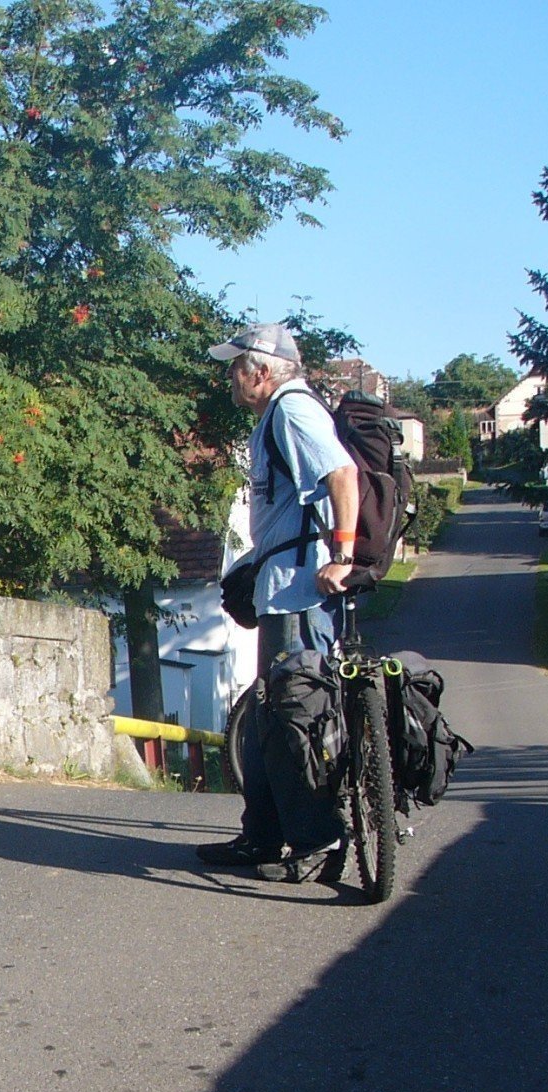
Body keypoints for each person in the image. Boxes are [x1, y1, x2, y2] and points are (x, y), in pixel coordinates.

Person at [200, 322, 361, 883]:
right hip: (282, 588)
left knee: (299, 717)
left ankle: (318, 839)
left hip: (301, 593)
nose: (231, 379)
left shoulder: (293, 410)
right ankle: (263, 836)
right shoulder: (276, 416)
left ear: (261, 370)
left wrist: (341, 554)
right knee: (271, 719)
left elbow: (343, 474)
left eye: (236, 368)